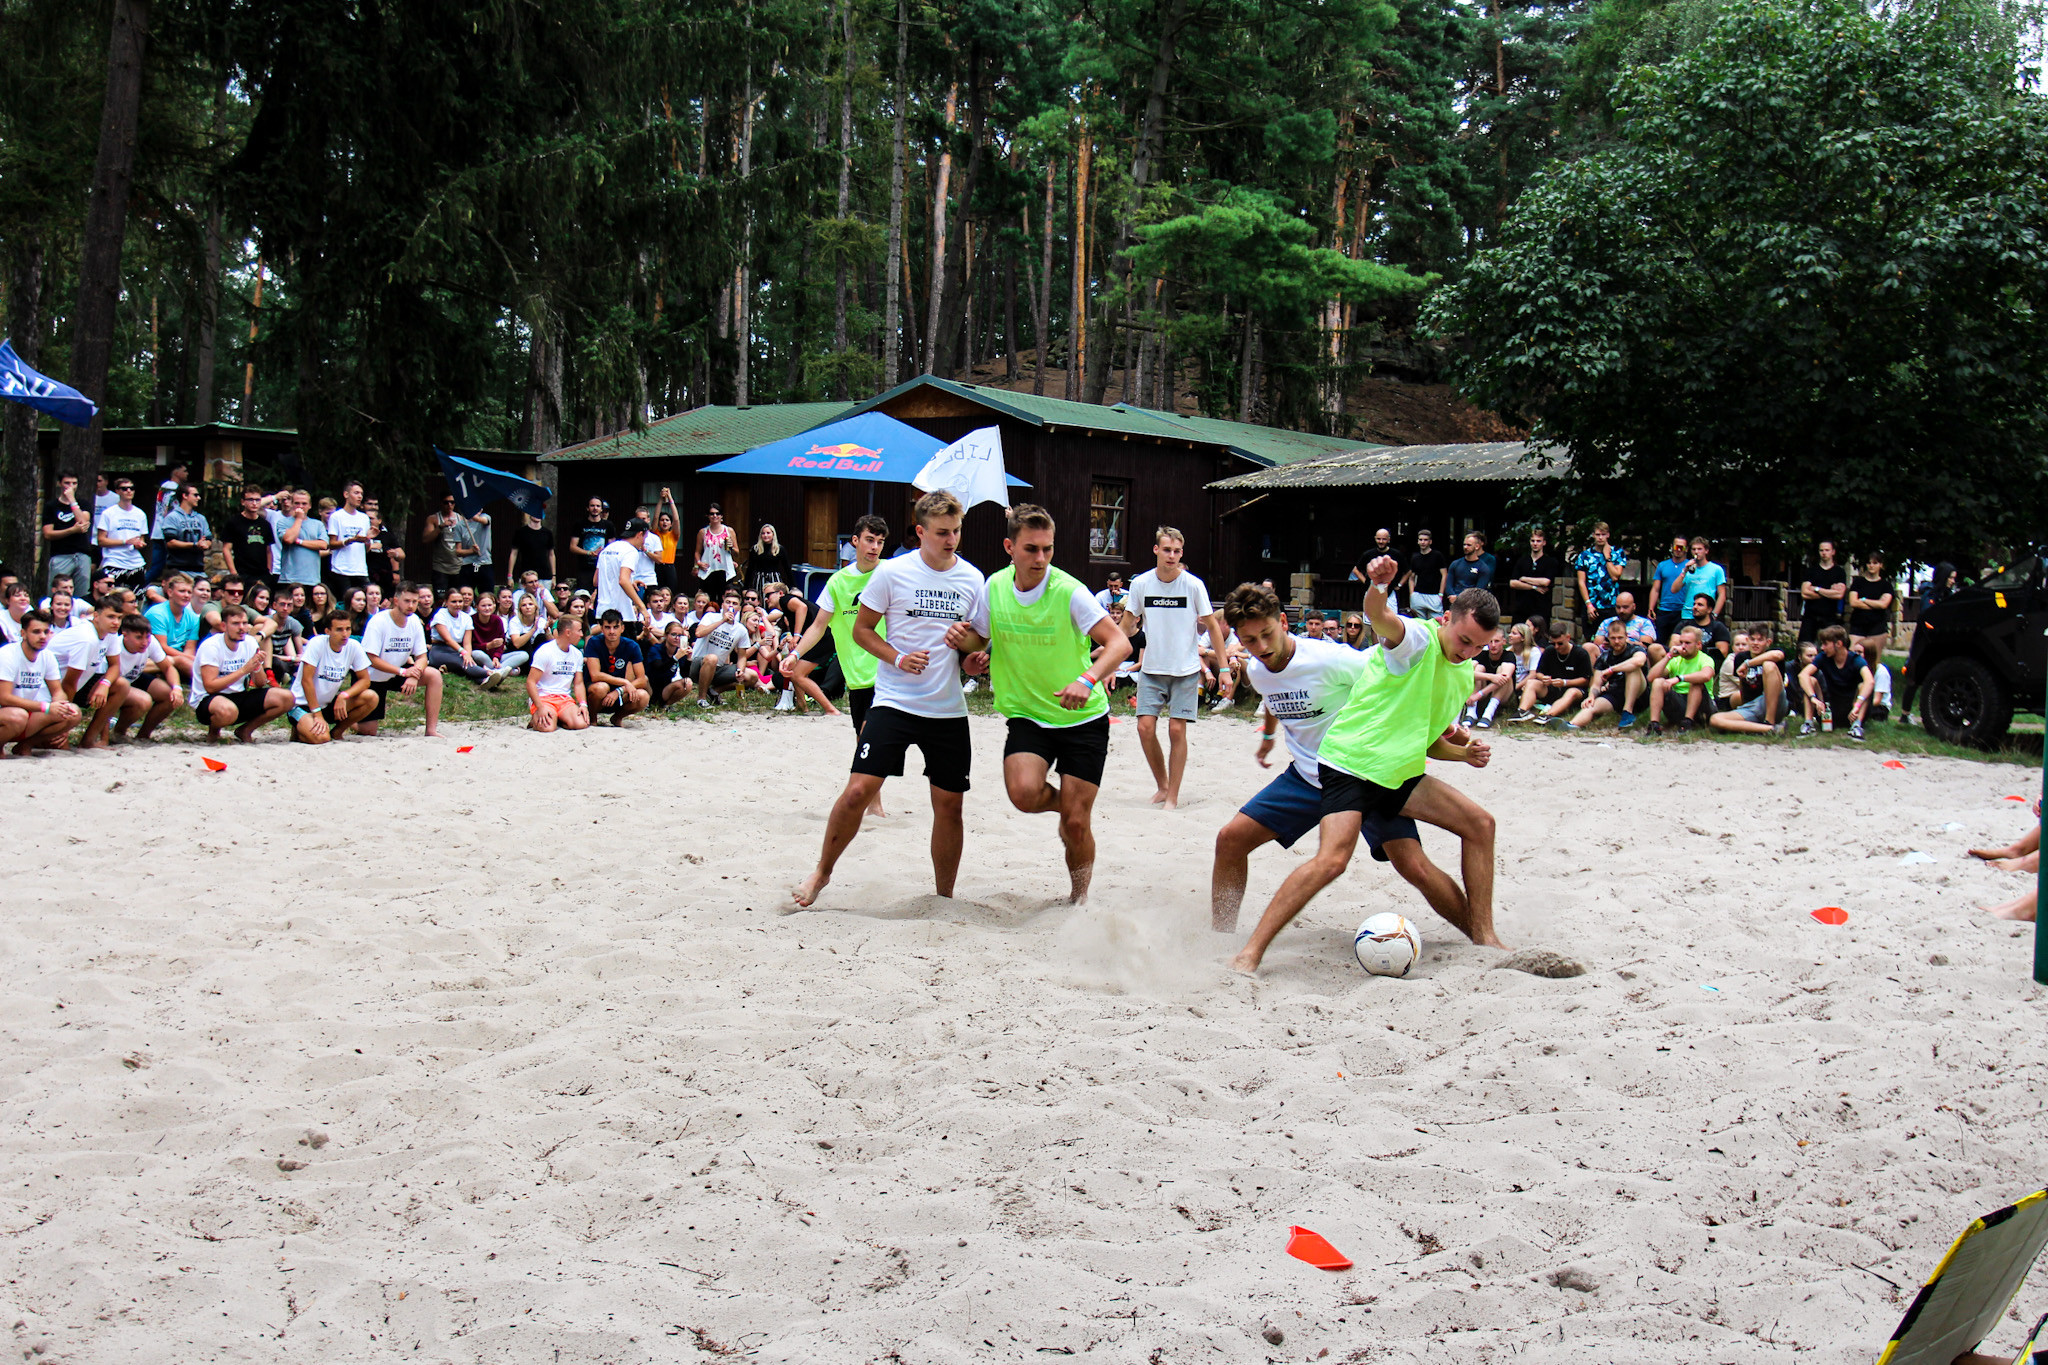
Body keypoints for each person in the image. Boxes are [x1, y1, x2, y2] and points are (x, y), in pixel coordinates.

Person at [1227, 560, 1505, 975]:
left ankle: (1485, 939)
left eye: (1479, 647)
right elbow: (1380, 616)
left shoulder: (1463, 674)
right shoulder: (1417, 640)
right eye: (1464, 640)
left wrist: (1463, 754)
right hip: (1351, 763)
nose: (1467, 652)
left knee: (1479, 825)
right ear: (1446, 618)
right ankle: (1248, 954)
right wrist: (1378, 585)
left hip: (1396, 772)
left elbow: (1427, 740)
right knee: (1332, 861)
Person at [793, 490, 985, 908]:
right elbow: (862, 630)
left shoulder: (973, 579)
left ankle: (944, 897)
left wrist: (971, 654)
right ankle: (822, 872)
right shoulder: (893, 573)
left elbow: (977, 645)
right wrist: (897, 657)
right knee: (858, 791)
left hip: (947, 708)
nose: (951, 539)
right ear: (920, 532)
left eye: (956, 531)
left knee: (949, 806)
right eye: (942, 532)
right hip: (895, 701)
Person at [947, 505, 1131, 903]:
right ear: (1009, 547)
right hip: (1028, 714)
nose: (1041, 558)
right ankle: (1071, 808)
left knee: (1076, 827)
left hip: (1082, 717)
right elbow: (979, 638)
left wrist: (1087, 679)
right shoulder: (995, 587)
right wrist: (967, 647)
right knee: (1024, 794)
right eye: (1031, 549)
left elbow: (1120, 644)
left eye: (1048, 549)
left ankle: (1078, 900)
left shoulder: (1069, 591)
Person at [1125, 525, 1227, 810]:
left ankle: (1173, 795)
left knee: (1176, 730)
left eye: (1177, 551)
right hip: (1152, 668)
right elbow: (1127, 623)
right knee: (1145, 728)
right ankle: (1162, 785)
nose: (1171, 555)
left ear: (1182, 553)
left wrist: (1224, 668)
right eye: (1167, 550)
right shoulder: (1141, 584)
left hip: (1185, 669)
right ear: (1156, 550)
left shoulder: (1193, 585)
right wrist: (1110, 662)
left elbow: (1213, 627)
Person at [194, 603, 294, 742]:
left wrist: (257, 666)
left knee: (287, 697)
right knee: (228, 711)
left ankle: (245, 730)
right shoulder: (211, 646)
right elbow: (210, 687)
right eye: (236, 623)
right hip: (209, 699)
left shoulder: (250, 642)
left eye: (245, 623)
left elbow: (260, 683)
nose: (242, 628)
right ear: (224, 626)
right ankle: (214, 732)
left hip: (239, 695)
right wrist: (243, 670)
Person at [361, 582, 444, 737]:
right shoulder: (379, 621)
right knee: (368, 731)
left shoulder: (414, 621)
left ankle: (431, 729)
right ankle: (349, 721)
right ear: (396, 600)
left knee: (434, 675)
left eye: (414, 601)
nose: (411, 606)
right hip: (372, 677)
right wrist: (404, 672)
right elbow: (371, 658)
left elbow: (422, 656)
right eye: (407, 601)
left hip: (398, 672)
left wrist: (414, 674)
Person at [289, 609, 375, 743]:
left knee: (371, 697)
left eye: (348, 629)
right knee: (321, 738)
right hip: (303, 704)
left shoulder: (353, 646)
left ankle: (337, 731)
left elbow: (365, 680)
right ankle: (300, 729)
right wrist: (317, 713)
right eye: (339, 630)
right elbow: (306, 680)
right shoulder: (317, 643)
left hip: (327, 704)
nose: (345, 634)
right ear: (327, 631)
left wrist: (344, 695)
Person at [0, 611, 79, 756]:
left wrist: (60, 706)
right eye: (36, 632)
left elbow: (57, 691)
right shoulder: (7, 655)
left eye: (46, 632)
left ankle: (25, 746)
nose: (42, 636)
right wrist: (46, 707)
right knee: (18, 716)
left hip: (25, 713)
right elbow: (4, 698)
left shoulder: (47, 656)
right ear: (23, 633)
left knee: (73, 712)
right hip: (8, 713)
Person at [52, 597, 126, 749]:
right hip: (53, 689)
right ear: (96, 616)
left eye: (119, 618)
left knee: (121, 685)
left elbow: (115, 666)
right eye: (111, 617)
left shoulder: (110, 633)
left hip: (77, 684)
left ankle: (89, 740)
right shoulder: (86, 638)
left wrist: (104, 685)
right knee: (58, 745)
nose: (116, 622)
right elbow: (69, 683)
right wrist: (65, 725)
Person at [109, 611, 181, 741]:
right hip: (115, 682)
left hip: (134, 676)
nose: (144, 642)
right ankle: (118, 732)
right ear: (125, 635)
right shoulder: (115, 647)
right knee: (143, 701)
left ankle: (143, 735)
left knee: (169, 695)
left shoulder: (151, 642)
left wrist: (177, 688)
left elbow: (168, 667)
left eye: (147, 637)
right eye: (138, 637)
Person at [1565, 621, 1650, 731]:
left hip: (1639, 694)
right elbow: (1596, 685)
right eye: (1613, 638)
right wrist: (1591, 696)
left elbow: (1639, 662)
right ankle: (1571, 725)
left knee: (1632, 668)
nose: (1617, 641)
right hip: (1615, 694)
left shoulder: (1635, 649)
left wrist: (1612, 669)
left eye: (1620, 638)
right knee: (1591, 706)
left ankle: (1627, 712)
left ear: (1626, 636)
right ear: (1608, 638)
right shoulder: (1604, 657)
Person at [1707, 625, 1788, 735]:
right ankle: (1770, 729)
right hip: (1753, 706)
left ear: (1768, 642)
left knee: (1768, 665)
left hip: (1776, 701)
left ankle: (1769, 721)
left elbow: (1778, 655)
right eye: (1752, 639)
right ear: (1748, 640)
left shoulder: (1772, 653)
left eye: (1760, 640)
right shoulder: (1740, 657)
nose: (1755, 643)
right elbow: (1743, 688)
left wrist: (1748, 663)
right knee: (1715, 719)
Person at [1798, 624, 1874, 739]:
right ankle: (1808, 724)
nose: (1822, 648)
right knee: (1810, 680)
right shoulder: (1823, 657)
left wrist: (1857, 705)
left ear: (1838, 644)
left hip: (1852, 710)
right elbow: (1803, 675)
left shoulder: (1856, 660)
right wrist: (1813, 698)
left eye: (1825, 644)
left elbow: (1870, 681)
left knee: (1864, 685)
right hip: (1829, 708)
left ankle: (1857, 726)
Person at [1510, 620, 1592, 725]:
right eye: (1553, 643)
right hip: (1552, 688)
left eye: (1560, 643)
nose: (1556, 647)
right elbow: (1538, 672)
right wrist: (1543, 678)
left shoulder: (1580, 654)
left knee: (1572, 692)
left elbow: (1586, 680)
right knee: (1531, 683)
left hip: (1574, 690)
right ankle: (1522, 711)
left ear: (1568, 637)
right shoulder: (1550, 651)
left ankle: (1548, 715)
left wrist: (1565, 682)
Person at [427, 588, 508, 688]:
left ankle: (484, 681)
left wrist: (468, 655)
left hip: (458, 650)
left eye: (460, 601)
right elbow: (448, 640)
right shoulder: (440, 615)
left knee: (466, 663)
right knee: (461, 662)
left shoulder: (466, 618)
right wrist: (464, 653)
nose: (457, 604)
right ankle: (491, 673)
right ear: (446, 602)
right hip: (440, 650)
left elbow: (467, 642)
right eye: (453, 602)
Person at [583, 609, 650, 725]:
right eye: (607, 627)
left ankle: (617, 718)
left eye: (615, 627)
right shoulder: (594, 642)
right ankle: (592, 719)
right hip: (596, 692)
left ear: (622, 628)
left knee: (643, 696)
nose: (612, 631)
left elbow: (642, 679)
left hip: (619, 693)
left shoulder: (632, 646)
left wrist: (619, 690)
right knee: (601, 688)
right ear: (601, 629)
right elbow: (595, 675)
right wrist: (624, 682)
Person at [527, 613, 592, 732]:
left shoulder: (577, 654)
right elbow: (531, 682)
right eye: (579, 631)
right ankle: (539, 717)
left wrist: (583, 704)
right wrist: (540, 707)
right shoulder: (545, 651)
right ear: (568, 632)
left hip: (564, 698)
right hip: (544, 697)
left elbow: (578, 683)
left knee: (581, 724)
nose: (582, 635)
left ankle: (559, 718)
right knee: (547, 728)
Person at [1646, 626, 1715, 733]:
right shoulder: (1676, 660)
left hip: (1702, 706)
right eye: (1681, 642)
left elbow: (1706, 675)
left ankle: (1688, 723)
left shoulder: (1705, 659)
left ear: (1698, 645)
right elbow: (1651, 677)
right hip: (1680, 702)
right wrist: (1668, 656)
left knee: (1696, 683)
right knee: (1658, 682)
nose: (1683, 646)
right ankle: (1654, 724)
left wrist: (1679, 678)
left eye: (1687, 643)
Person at [689, 589, 750, 705]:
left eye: (734, 603)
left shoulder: (741, 630)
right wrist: (722, 621)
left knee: (751, 676)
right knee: (712, 658)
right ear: (722, 605)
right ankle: (701, 699)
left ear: (739, 608)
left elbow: (742, 656)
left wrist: (740, 670)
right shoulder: (710, 617)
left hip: (719, 668)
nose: (730, 606)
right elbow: (699, 633)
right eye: (728, 602)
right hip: (700, 663)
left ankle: (713, 692)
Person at [596, 517, 654, 636]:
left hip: (602, 611)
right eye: (645, 538)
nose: (643, 542)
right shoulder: (631, 551)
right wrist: (642, 607)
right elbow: (623, 580)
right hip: (622, 613)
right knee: (629, 647)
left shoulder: (607, 549)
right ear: (640, 534)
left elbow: (596, 581)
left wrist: (630, 581)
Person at [145, 573, 204, 686]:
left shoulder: (192, 618)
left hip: (180, 657)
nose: (186, 595)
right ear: (170, 592)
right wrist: (190, 658)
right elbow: (162, 647)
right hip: (155, 657)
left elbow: (190, 648)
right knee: (184, 661)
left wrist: (188, 658)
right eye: (182, 591)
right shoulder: (157, 614)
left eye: (189, 592)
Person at [94, 476, 150, 592]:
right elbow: (101, 540)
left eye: (131, 488)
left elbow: (142, 539)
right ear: (117, 491)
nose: (129, 491)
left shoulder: (140, 514)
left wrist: (139, 544)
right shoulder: (108, 513)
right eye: (124, 489)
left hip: (135, 562)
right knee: (113, 597)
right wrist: (125, 541)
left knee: (138, 596)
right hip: (114, 561)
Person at [41, 472, 94, 593]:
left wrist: (72, 500)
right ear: (59, 484)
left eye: (74, 483)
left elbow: (83, 522)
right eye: (67, 483)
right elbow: (48, 533)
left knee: (82, 592)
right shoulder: (51, 506)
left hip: (82, 554)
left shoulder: (83, 504)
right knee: (58, 590)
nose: (71, 486)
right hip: (61, 554)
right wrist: (71, 530)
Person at [1572, 522, 1626, 631]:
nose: (1600, 537)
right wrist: (1588, 604)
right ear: (1593, 535)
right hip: (1592, 605)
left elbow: (1615, 576)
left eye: (1603, 534)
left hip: (1611, 605)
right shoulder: (1584, 556)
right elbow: (1581, 582)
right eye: (1597, 534)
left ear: (1608, 535)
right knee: (1590, 637)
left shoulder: (1617, 553)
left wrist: (1607, 557)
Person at [1502, 528, 1562, 627]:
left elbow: (1545, 582)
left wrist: (1524, 579)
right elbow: (1513, 583)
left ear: (1544, 543)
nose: (1535, 543)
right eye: (1533, 541)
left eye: (1538, 541)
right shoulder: (1522, 561)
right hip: (1521, 608)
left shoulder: (1550, 562)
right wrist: (1534, 587)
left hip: (1541, 609)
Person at [222, 485, 276, 590]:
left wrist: (269, 571)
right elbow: (226, 549)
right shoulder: (233, 522)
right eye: (250, 500)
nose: (254, 503)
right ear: (243, 502)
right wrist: (234, 573)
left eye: (257, 500)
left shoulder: (265, 524)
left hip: (262, 574)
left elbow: (269, 550)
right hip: (242, 573)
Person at [325, 480, 373, 595]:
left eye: (361, 494)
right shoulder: (336, 516)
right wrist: (349, 541)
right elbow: (332, 544)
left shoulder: (364, 518)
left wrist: (367, 540)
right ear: (346, 494)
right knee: (347, 600)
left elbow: (367, 549)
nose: (360, 496)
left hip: (360, 569)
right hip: (341, 569)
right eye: (356, 493)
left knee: (364, 599)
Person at [276, 489, 329, 593]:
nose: (300, 506)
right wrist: (299, 519)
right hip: (289, 578)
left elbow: (323, 545)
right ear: (291, 504)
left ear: (309, 506)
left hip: (312, 579)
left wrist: (299, 541)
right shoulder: (283, 522)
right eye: (297, 503)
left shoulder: (317, 524)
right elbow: (289, 539)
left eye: (304, 504)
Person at [1462, 629, 1516, 729]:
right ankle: (1471, 713)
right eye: (1490, 641)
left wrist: (1479, 694)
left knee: (1502, 672)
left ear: (1504, 642)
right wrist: (1490, 677)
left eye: (1497, 641)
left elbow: (1505, 677)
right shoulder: (1482, 654)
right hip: (1483, 693)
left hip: (1503, 695)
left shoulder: (1509, 655)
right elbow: (1466, 672)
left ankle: (1488, 713)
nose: (1493, 645)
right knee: (1479, 668)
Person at [1847, 553, 1895, 665]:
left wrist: (1864, 600)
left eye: (1875, 563)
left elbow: (1883, 605)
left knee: (1874, 661)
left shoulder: (1886, 585)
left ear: (1881, 565)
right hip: (1858, 625)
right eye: (1869, 563)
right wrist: (1875, 604)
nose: (1871, 566)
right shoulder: (1858, 583)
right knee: (1852, 658)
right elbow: (1853, 602)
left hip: (1877, 626)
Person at [1798, 540, 1848, 644]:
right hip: (1810, 615)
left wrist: (1817, 589)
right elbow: (1804, 593)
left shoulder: (1839, 572)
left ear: (1833, 552)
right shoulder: (1811, 571)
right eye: (1821, 550)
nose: (1824, 553)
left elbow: (1839, 594)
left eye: (1827, 550)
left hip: (1829, 616)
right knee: (1804, 645)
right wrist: (1829, 592)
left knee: (1831, 645)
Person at [1646, 536, 1690, 644]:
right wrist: (1651, 608)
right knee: (1659, 642)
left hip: (1683, 611)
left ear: (1687, 549)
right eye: (1676, 546)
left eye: (1681, 547)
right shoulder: (1662, 565)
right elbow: (1656, 589)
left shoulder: (1691, 566)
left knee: (1680, 642)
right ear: (1671, 547)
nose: (1678, 550)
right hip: (1664, 610)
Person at [645, 620, 696, 707]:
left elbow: (684, 675)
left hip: (666, 688)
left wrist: (688, 658)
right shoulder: (656, 649)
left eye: (680, 635)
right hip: (650, 687)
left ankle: (666, 705)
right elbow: (659, 669)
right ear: (665, 635)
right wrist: (675, 658)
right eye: (673, 634)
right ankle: (650, 703)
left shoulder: (679, 651)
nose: (677, 638)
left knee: (687, 683)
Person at [1350, 528, 1405, 606]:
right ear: (1375, 539)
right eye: (1378, 539)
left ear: (1388, 539)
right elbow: (1356, 570)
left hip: (1389, 593)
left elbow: (1408, 571)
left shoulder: (1396, 554)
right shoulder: (1368, 554)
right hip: (1371, 592)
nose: (1381, 541)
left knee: (1391, 613)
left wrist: (1400, 584)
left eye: (1384, 539)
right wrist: (1366, 582)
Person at [506, 509, 555, 596]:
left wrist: (554, 576)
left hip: (545, 575)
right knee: (526, 599)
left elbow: (551, 555)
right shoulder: (520, 532)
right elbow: (513, 554)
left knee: (544, 599)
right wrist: (510, 576)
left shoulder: (547, 533)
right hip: (525, 574)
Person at [694, 503, 738, 598]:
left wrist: (731, 547)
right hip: (708, 569)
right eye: (712, 514)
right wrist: (698, 563)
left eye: (717, 513)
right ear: (708, 516)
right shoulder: (703, 532)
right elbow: (697, 552)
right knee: (709, 598)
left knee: (725, 597)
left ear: (721, 516)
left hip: (725, 568)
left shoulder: (729, 531)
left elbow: (737, 552)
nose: (715, 516)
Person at [1403, 528, 1448, 619]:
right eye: (1421, 540)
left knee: (1437, 623)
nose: (1423, 542)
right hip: (1418, 595)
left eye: (1425, 540)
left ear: (1430, 542)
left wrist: (1441, 594)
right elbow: (1412, 577)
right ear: (1418, 541)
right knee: (1418, 624)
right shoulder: (1415, 557)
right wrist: (1412, 594)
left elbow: (1444, 575)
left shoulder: (1437, 555)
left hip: (1434, 595)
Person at [570, 497, 610, 588]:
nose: (595, 508)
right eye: (592, 505)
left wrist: (602, 552)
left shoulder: (608, 525)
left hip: (603, 568)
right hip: (584, 569)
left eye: (598, 506)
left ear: (601, 509)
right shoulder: (580, 524)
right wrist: (589, 553)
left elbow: (612, 546)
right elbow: (572, 547)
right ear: (587, 508)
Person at [1684, 592, 1733, 660]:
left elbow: (1722, 653)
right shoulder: (1684, 625)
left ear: (1709, 609)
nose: (1695, 607)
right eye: (1694, 604)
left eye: (1700, 605)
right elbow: (1674, 644)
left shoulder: (1718, 627)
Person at [1446, 532, 1495, 596]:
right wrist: (1452, 595)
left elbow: (1479, 590)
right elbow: (1448, 585)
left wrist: (1460, 598)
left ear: (1477, 546)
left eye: (1469, 545)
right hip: (1454, 599)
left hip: (1472, 599)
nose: (1465, 547)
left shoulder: (1483, 567)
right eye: (1464, 544)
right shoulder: (1455, 564)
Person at [749, 522, 789, 590]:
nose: (765, 535)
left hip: (774, 579)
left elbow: (787, 567)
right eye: (763, 533)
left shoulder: (779, 549)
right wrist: (746, 587)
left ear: (773, 534)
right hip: (759, 579)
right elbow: (750, 568)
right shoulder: (755, 549)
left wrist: (793, 586)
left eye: (768, 533)